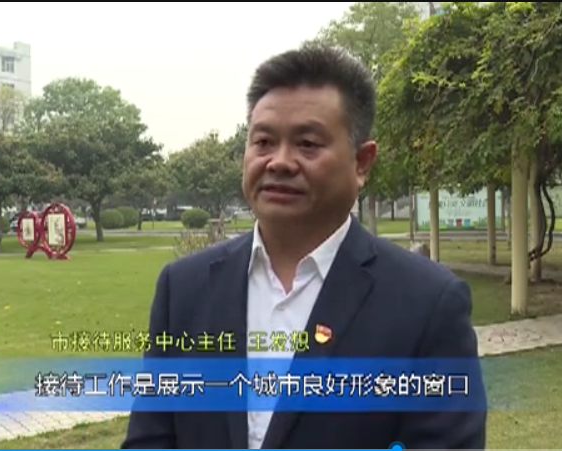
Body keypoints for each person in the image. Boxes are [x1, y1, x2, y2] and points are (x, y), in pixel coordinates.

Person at [122, 44, 486, 449]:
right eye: (263, 141)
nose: (279, 161)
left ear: (362, 162)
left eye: (308, 144)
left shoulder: (428, 303)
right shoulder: (183, 288)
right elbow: (150, 439)